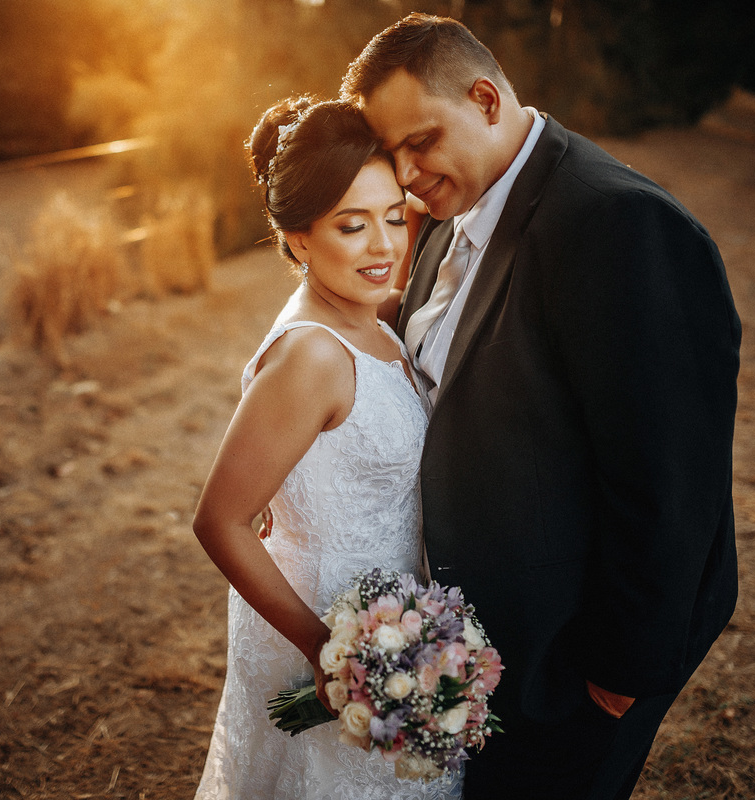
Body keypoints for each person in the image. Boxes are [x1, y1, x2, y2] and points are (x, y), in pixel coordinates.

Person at [340, 13, 742, 800]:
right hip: (482, 643)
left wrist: (619, 673)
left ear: (486, 98)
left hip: (573, 660)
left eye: (420, 140)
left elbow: (667, 479)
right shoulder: (452, 214)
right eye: (391, 151)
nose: (406, 171)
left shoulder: (617, 225)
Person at [192, 97, 461, 799]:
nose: (384, 246)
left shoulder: (373, 314)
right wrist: (329, 654)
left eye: (392, 217)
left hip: (394, 622)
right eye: (351, 225)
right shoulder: (313, 354)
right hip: (331, 632)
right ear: (299, 238)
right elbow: (220, 521)